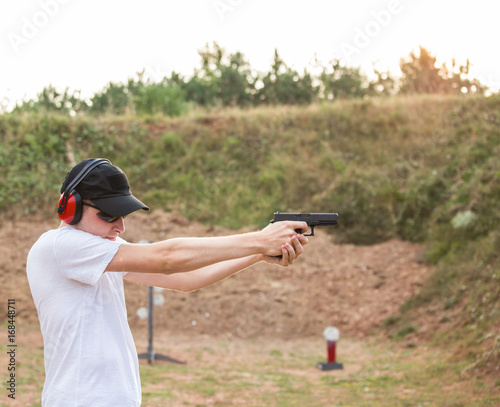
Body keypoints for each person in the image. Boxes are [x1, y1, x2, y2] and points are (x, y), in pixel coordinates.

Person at [26, 158, 309, 407]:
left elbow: (186, 278)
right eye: (109, 215)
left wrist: (258, 253)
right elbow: (168, 258)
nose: (120, 226)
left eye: (122, 215)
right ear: (70, 207)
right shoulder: (61, 246)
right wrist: (259, 239)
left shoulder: (97, 248)